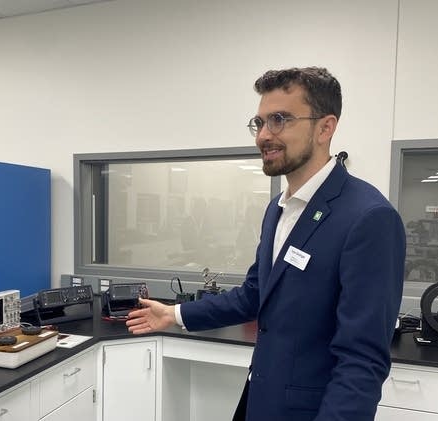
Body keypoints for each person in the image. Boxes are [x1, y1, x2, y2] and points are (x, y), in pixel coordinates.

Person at [127, 67, 405, 421]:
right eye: (259, 123)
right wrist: (175, 314)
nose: (264, 136)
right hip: (261, 400)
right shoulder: (278, 209)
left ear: (325, 127)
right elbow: (256, 294)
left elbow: (362, 361)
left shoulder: (368, 217)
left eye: (280, 119)